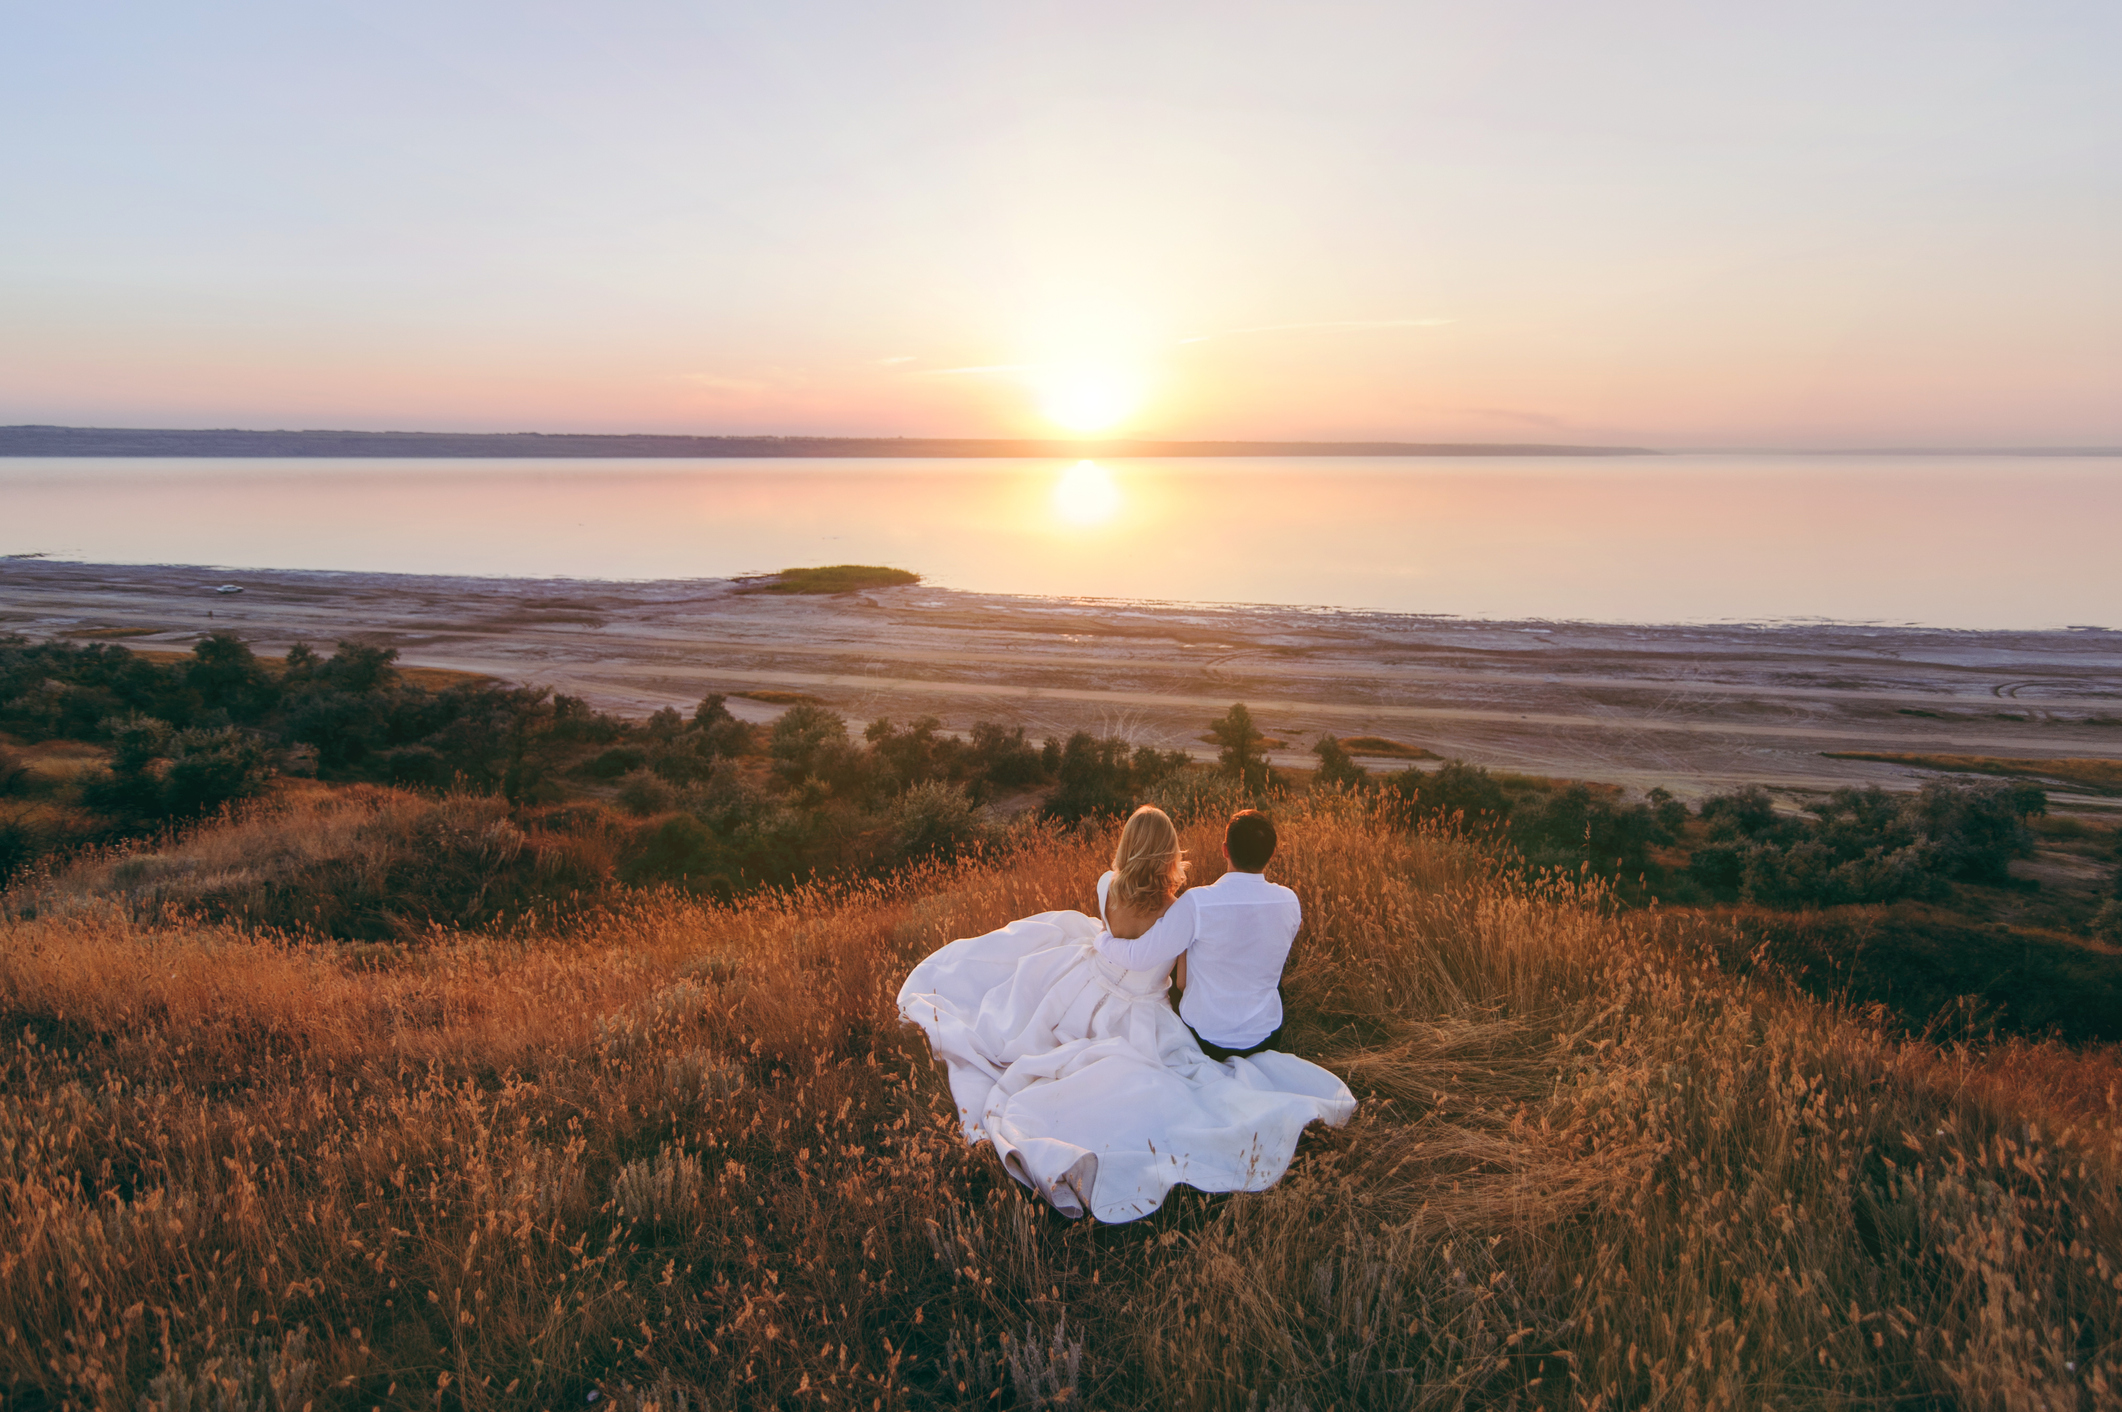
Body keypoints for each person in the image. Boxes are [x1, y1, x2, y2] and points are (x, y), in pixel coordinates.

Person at [897, 805, 1353, 1222]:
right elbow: (1178, 979)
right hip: (1146, 1015)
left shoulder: (1107, 886)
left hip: (1086, 986)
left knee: (1021, 1010)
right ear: (1172, 853)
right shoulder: (1181, 907)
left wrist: (1102, 943)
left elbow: (1127, 946)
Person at [1094, 809, 1298, 1061]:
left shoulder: (1197, 903)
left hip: (1208, 1039)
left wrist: (1101, 938)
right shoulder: (1290, 901)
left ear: (1225, 850)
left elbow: (1147, 962)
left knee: (1185, 973)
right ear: (1272, 854)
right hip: (1266, 1036)